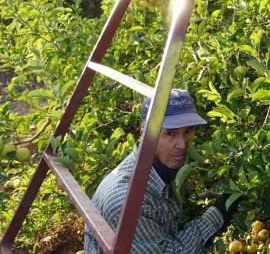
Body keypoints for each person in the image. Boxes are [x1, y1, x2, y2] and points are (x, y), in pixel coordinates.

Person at [84, 89, 237, 254]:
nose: (182, 145)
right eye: (170, 133)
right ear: (145, 136)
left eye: (188, 131)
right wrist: (218, 213)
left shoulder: (162, 169)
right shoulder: (128, 202)